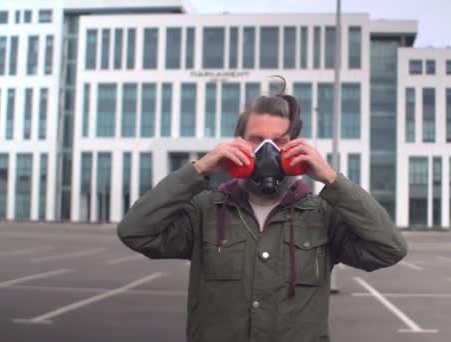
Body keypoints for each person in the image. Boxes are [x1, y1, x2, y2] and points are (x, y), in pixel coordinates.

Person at [117, 85, 408, 342]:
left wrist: (332, 179)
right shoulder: (205, 210)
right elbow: (135, 231)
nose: (267, 150)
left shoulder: (322, 215)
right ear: (237, 143)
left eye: (280, 142)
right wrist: (200, 169)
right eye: (256, 139)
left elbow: (389, 249)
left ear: (295, 147)